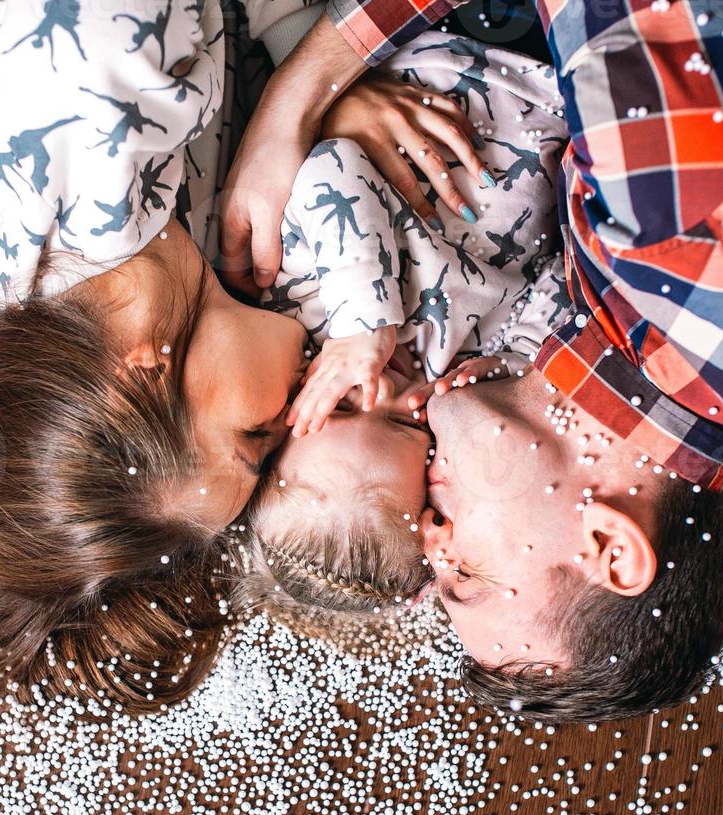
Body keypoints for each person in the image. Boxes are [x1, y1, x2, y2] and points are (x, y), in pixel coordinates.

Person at [220, 0, 723, 722]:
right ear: (612, 546)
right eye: (467, 574)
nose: (430, 544)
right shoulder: (678, 231)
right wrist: (298, 94)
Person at [0, 0, 491, 709]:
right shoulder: (111, 283)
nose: (296, 419)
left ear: (137, 369)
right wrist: (303, 103)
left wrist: (308, 85)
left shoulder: (98, 70)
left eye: (252, 442)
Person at [236, 31, 574, 633]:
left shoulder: (304, 309)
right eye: (405, 425)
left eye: (341, 407)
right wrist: (520, 363)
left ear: (284, 416)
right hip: (562, 97)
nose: (386, 390)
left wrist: (362, 320)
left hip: (458, 53)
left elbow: (332, 164)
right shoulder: (461, 382)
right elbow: (560, 278)